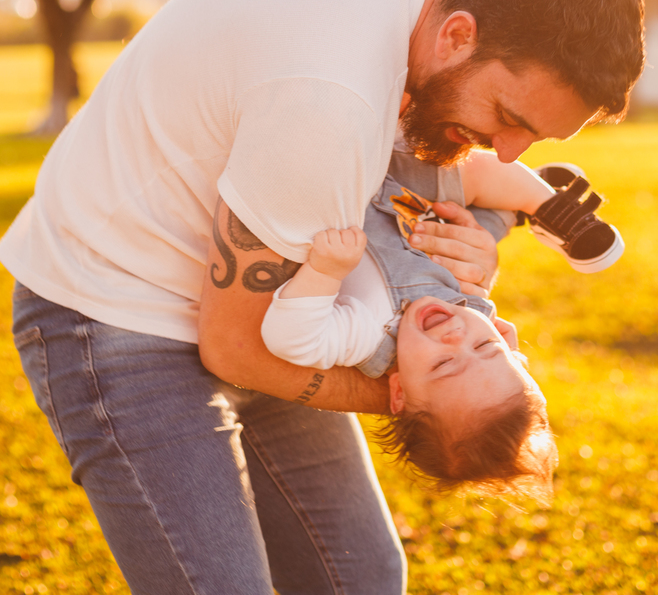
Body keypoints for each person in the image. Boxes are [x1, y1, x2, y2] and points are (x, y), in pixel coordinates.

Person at [0, 0, 644, 595]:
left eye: (534, 141)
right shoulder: (331, 100)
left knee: (354, 588)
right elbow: (236, 350)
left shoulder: (425, 10)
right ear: (459, 35)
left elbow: (395, 208)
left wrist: (471, 256)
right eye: (509, 118)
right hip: (117, 312)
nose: (507, 151)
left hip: (275, 300)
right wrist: (422, 395)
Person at [261, 151, 623, 501]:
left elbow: (292, 338)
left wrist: (326, 271)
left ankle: (519, 198)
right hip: (407, 191)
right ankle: (542, 203)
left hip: (363, 180)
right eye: (486, 348)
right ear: (504, 338)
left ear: (399, 393)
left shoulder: (368, 337)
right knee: (474, 181)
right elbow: (474, 268)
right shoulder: (471, 311)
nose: (457, 337)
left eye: (444, 364)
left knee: (474, 197)